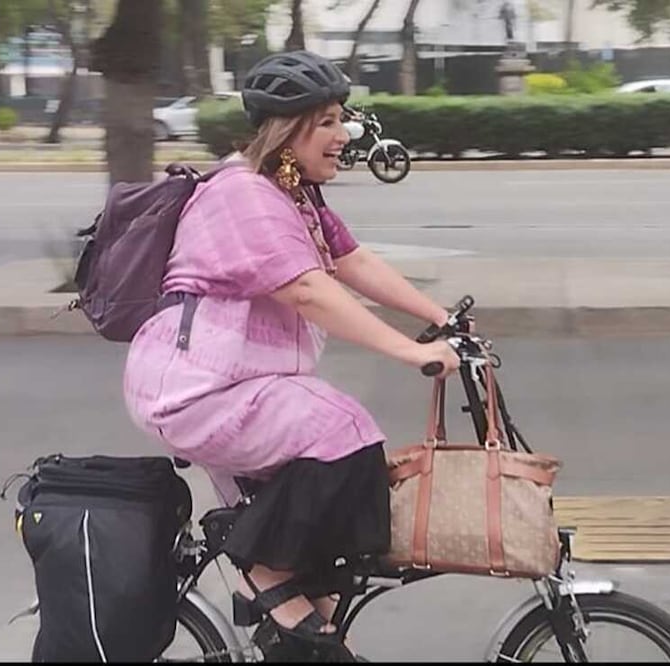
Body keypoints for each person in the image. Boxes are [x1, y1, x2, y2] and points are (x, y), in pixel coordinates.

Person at [122, 50, 460, 658]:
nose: (343, 135)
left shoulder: (294, 192)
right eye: (327, 122)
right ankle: (261, 566)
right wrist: (411, 353)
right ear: (287, 131)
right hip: (197, 389)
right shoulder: (243, 196)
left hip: (240, 386)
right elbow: (308, 290)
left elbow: (353, 263)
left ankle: (298, 626)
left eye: (342, 120)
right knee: (345, 429)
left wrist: (438, 318)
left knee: (325, 608)